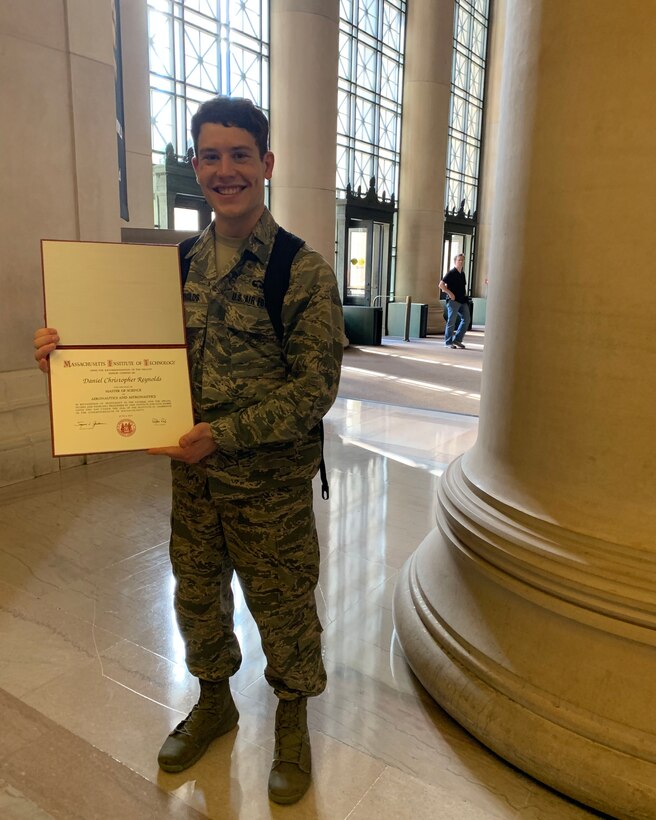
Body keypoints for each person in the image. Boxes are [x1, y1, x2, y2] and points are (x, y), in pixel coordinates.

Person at [33, 96, 345, 806]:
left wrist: (225, 435)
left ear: (265, 165)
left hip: (267, 486)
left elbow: (314, 389)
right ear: (195, 166)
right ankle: (215, 701)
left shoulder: (300, 271)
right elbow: (123, 351)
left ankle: (292, 719)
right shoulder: (171, 266)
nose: (224, 169)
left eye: (240, 155)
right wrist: (67, 359)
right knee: (198, 597)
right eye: (211, 155)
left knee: (284, 606)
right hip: (194, 484)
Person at [439, 252, 470, 349]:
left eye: (462, 260)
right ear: (455, 262)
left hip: (462, 300)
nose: (461, 262)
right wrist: (450, 293)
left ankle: (457, 340)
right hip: (453, 301)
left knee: (466, 319)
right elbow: (441, 285)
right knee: (451, 321)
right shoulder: (451, 273)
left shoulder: (463, 274)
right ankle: (448, 342)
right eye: (459, 260)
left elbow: (463, 286)